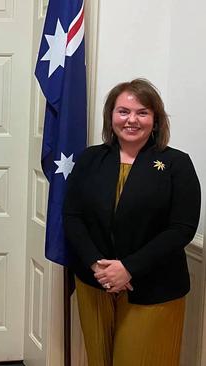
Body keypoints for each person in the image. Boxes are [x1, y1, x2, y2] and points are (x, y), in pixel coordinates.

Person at [64, 78, 201, 365]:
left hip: (155, 287)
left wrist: (128, 268)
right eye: (123, 111)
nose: (132, 120)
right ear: (110, 116)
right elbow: (72, 216)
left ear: (156, 119)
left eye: (142, 112)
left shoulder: (177, 164)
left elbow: (182, 228)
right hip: (95, 283)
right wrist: (96, 265)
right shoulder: (91, 159)